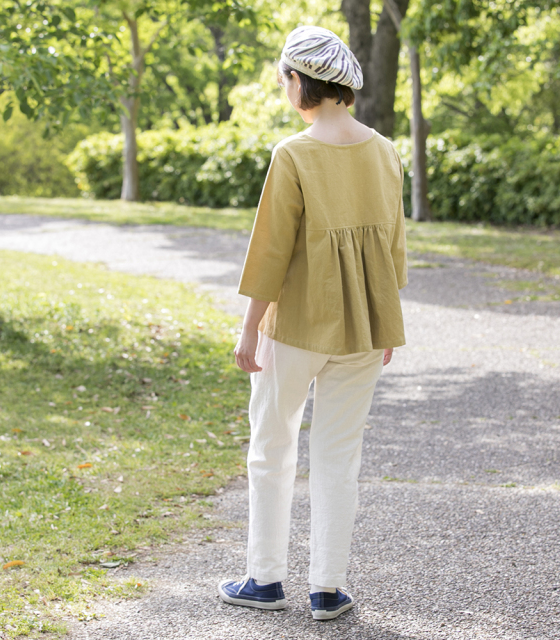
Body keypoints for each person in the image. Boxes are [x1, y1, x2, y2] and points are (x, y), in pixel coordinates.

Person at [217, 25, 407, 621]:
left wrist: (249, 329)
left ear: (300, 81)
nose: (283, 89)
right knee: (338, 455)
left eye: (284, 80)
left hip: (292, 329)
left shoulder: (293, 154)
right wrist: (380, 321)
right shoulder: (384, 150)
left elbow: (271, 252)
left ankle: (265, 580)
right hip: (362, 331)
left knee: (272, 448)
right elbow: (393, 247)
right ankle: (328, 588)